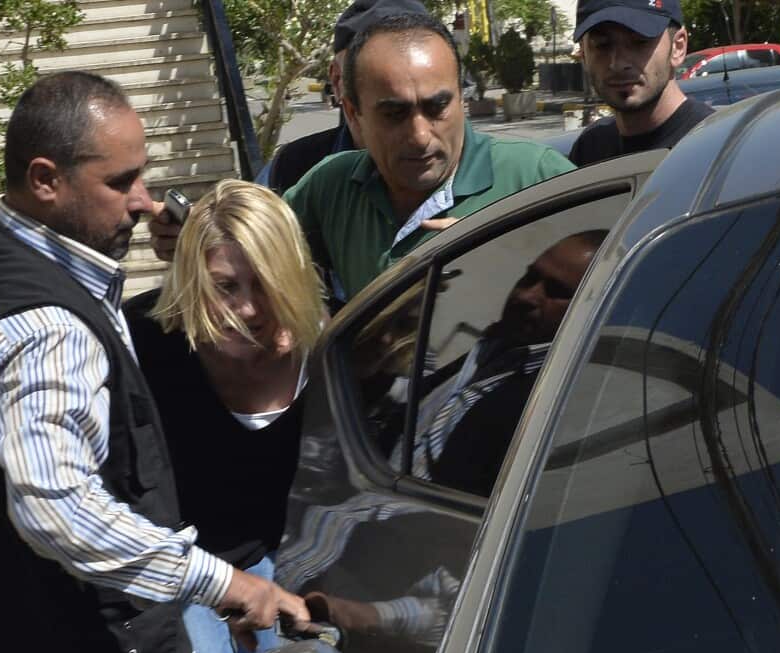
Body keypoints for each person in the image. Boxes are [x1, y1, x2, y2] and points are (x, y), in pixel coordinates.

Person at [0, 72, 308, 653]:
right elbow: (59, 512)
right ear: (46, 180)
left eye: (142, 176)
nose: (143, 201)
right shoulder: (50, 326)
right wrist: (223, 583)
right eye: (119, 182)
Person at [158, 13, 574, 303]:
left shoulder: (536, 177)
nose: (419, 135)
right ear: (353, 113)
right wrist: (193, 237)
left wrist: (513, 259)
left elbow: (616, 286)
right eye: (394, 114)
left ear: (462, 100)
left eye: (436, 107)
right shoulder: (330, 187)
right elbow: (256, 252)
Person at [123, 179, 326, 653]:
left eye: (265, 285)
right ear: (190, 281)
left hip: (303, 562)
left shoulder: (329, 348)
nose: (250, 309)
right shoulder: (143, 344)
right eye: (225, 288)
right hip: (189, 567)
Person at [415, 231, 606, 495]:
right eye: (530, 277)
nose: (526, 296)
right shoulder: (492, 349)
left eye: (557, 291)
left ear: (594, 308)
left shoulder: (551, 399)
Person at [259, 0, 428, 194]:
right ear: (337, 80)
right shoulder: (291, 169)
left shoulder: (465, 169)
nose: (398, 88)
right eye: (373, 72)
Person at [569, 0, 714, 167]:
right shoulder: (589, 149)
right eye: (602, 45)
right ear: (583, 55)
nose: (618, 64)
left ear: (678, 47)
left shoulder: (714, 144)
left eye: (639, 42)